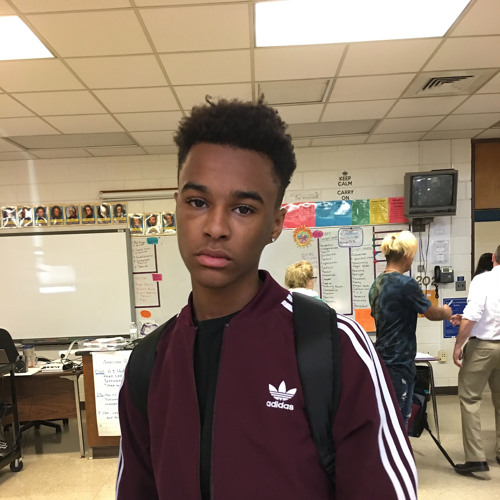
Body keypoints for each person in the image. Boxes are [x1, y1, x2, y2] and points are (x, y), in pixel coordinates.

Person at [116, 99, 416, 500]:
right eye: (198, 202)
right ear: (176, 207)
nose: (215, 227)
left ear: (275, 223)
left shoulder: (333, 346)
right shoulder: (150, 362)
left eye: (243, 208)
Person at [369, 230, 452, 427]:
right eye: (413, 256)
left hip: (382, 358)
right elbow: (432, 313)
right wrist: (447, 312)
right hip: (399, 361)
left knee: (388, 416)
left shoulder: (376, 284)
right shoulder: (406, 284)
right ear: (406, 255)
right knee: (399, 420)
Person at [452, 247, 500, 475]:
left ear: (493, 258)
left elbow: (474, 314)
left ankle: (476, 458)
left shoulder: (483, 279)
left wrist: (458, 345)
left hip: (483, 347)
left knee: (470, 398)